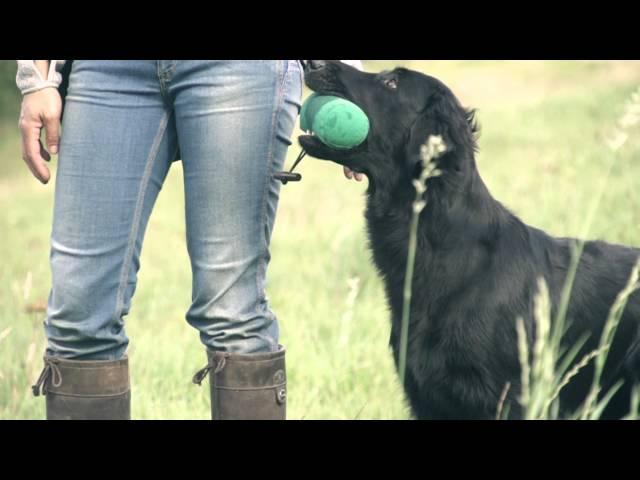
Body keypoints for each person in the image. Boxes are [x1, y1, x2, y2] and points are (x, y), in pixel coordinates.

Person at [17, 59, 364, 420]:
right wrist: (36, 79)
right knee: (78, 315)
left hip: (240, 70)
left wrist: (346, 82)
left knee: (233, 315)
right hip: (108, 71)